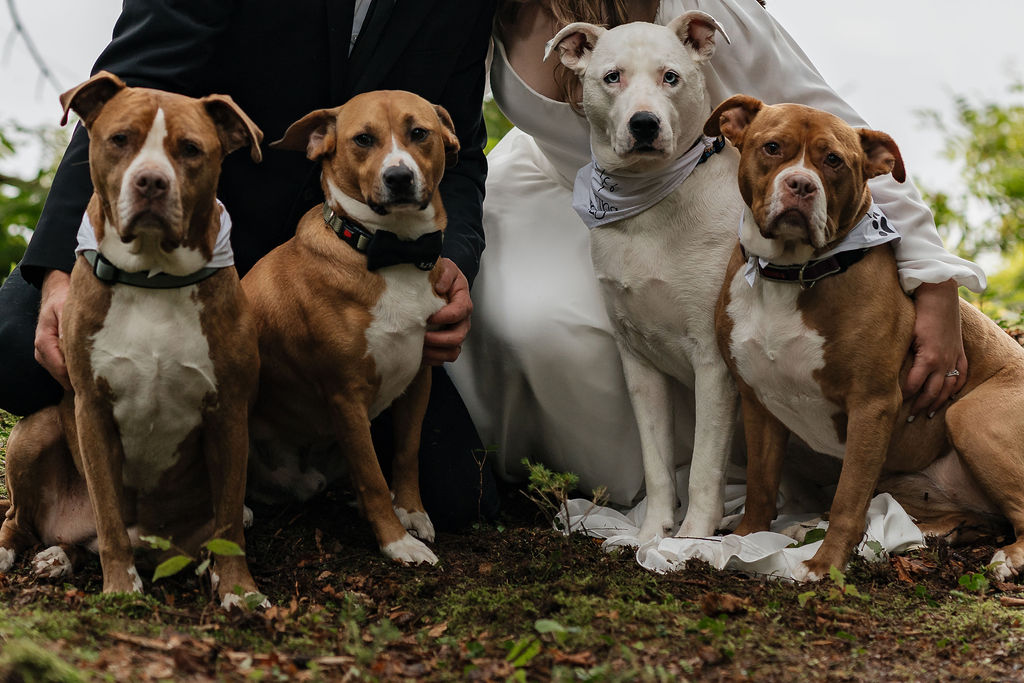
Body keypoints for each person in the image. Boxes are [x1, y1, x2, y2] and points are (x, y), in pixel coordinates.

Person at [449, 0, 986, 508]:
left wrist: (934, 281)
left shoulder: (707, 10)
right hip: (563, 181)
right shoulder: (486, 12)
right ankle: (502, 473)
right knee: (506, 308)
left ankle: (682, 490)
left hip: (694, 187)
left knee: (597, 330)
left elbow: (833, 133)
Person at [0, 0, 499, 530]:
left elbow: (462, 152)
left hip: (366, 270)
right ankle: (113, 466)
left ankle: (282, 464)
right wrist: (60, 272)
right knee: (14, 347)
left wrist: (453, 260)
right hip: (192, 239)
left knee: (460, 499)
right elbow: (129, 88)